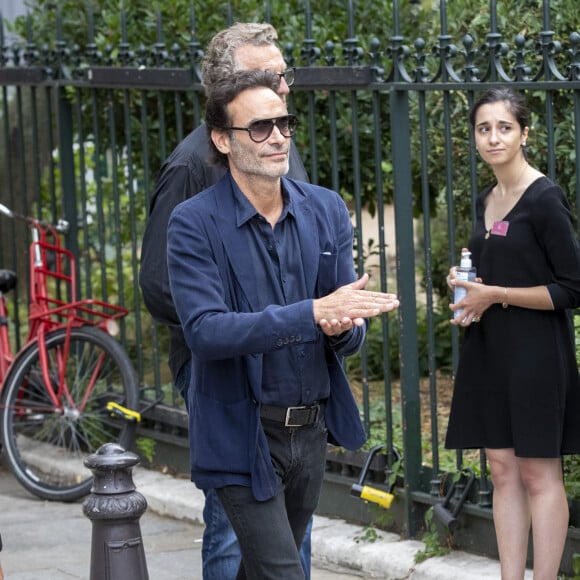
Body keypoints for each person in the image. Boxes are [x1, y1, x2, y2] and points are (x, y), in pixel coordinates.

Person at [166, 69, 400, 579]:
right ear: (222, 139)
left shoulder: (325, 209)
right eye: (259, 127)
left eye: (284, 123)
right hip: (240, 433)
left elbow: (345, 325)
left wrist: (343, 327)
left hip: (310, 432)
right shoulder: (193, 222)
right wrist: (312, 313)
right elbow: (205, 331)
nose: (277, 137)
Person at [139, 23, 310, 579]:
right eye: (269, 75)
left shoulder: (279, 147)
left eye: (283, 75)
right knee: (232, 531)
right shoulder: (193, 165)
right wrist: (243, 316)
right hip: (222, 377)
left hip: (291, 374)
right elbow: (160, 285)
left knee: (288, 536)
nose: (283, 87)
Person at [445, 86, 580, 580]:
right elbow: (494, 269)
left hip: (536, 354)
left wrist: (494, 293)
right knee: (501, 471)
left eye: (504, 127)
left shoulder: (544, 199)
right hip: (490, 351)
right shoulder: (488, 198)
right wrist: (467, 287)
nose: (494, 137)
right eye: (484, 128)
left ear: (524, 133)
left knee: (538, 474)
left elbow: (571, 288)